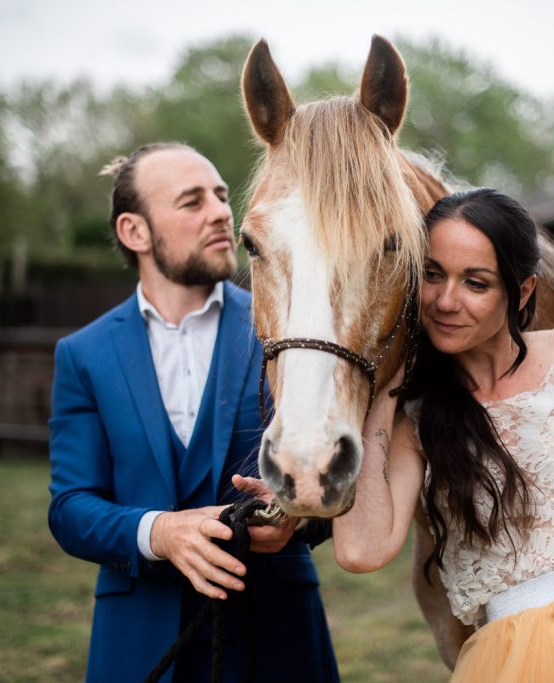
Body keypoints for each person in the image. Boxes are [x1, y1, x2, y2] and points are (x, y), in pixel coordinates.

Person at [331, 188, 554, 681]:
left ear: (522, 292)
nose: (445, 301)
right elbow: (360, 552)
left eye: (475, 283)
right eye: (433, 275)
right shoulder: (415, 421)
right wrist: (386, 388)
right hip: (523, 661)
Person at [47, 142, 339, 683]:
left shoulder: (290, 329)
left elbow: (339, 468)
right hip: (138, 645)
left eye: (222, 196)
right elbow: (69, 508)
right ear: (135, 232)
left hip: (274, 636)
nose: (221, 211)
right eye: (192, 201)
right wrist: (158, 533)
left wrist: (298, 515)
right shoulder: (84, 354)